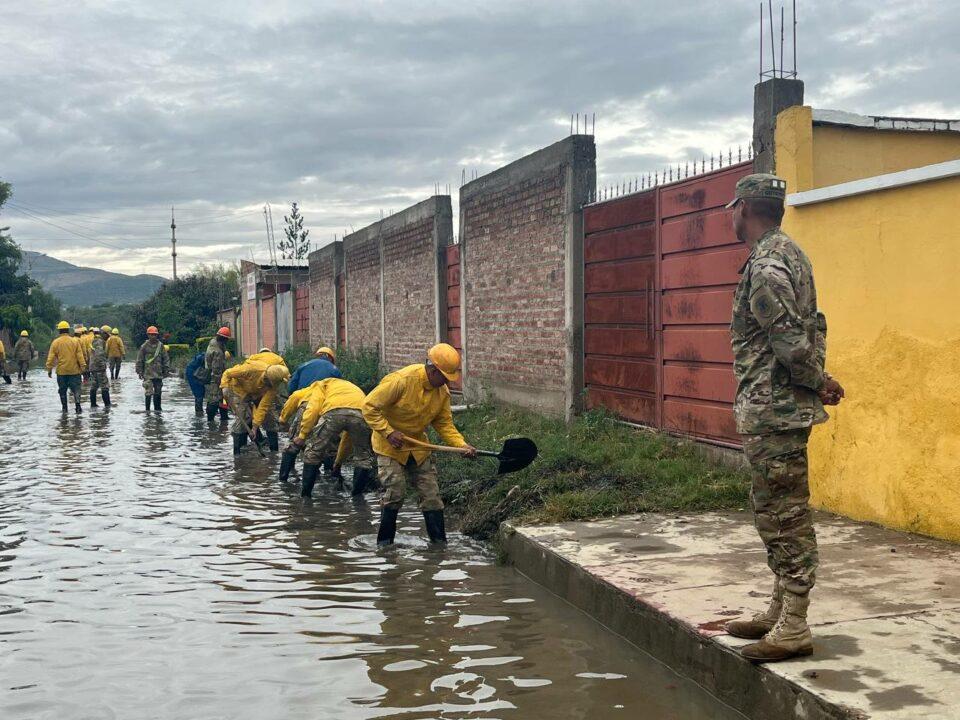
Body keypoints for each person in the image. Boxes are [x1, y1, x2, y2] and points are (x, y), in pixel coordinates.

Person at [722, 174, 844, 663]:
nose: (731, 217)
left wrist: (818, 380)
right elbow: (805, 330)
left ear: (745, 207)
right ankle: (779, 608)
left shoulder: (768, 264)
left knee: (784, 515)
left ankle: (794, 623)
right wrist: (820, 379)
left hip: (774, 409)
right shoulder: (789, 253)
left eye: (733, 209)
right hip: (777, 406)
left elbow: (791, 342)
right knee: (773, 509)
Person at [362, 343, 477, 545]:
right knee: (395, 493)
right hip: (390, 445)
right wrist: (388, 432)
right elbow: (369, 406)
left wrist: (461, 445)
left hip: (418, 447)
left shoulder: (442, 393)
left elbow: (444, 424)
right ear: (433, 371)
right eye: (444, 377)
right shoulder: (402, 381)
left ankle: (439, 546)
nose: (447, 382)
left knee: (432, 495)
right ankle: (385, 546)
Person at [284, 378, 375, 498]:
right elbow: (347, 440)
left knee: (313, 452)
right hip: (361, 414)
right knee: (363, 457)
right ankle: (357, 498)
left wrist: (302, 435)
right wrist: (338, 463)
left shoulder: (321, 385)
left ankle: (305, 497)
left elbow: (313, 409)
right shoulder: (352, 388)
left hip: (333, 412)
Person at [220, 357, 290, 454]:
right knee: (243, 417)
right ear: (266, 378)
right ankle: (238, 454)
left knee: (269, 418)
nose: (269, 387)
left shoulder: (273, 386)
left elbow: (263, 407)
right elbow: (227, 373)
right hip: (238, 389)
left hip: (255, 392)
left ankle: (274, 452)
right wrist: (224, 387)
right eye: (268, 384)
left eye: (271, 385)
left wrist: (255, 427)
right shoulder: (251, 369)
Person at [46, 320, 87, 413]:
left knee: (62, 391)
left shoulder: (55, 342)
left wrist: (49, 369)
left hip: (61, 372)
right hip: (74, 371)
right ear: (68, 330)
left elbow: (50, 357)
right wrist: (83, 368)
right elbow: (80, 356)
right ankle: (78, 406)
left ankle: (64, 409)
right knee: (76, 389)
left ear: (59, 331)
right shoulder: (74, 341)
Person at [135, 326, 170, 412]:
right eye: (151, 334)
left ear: (157, 335)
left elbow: (165, 358)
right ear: (148, 335)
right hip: (148, 374)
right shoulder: (144, 346)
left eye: (154, 335)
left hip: (158, 373)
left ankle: (158, 411)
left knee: (158, 393)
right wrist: (139, 371)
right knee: (148, 392)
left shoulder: (160, 346)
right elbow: (140, 359)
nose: (153, 336)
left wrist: (166, 369)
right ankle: (147, 411)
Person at [203, 327, 231, 422]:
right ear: (224, 339)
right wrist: (221, 382)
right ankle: (210, 420)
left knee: (223, 398)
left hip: (212, 375)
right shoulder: (218, 352)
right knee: (214, 400)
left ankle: (224, 416)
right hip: (215, 378)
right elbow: (216, 369)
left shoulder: (213, 343)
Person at [88, 325, 112, 407]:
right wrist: (102, 366)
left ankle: (93, 405)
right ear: (104, 333)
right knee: (105, 386)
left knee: (94, 386)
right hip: (99, 367)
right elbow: (99, 355)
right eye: (107, 335)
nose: (108, 337)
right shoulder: (99, 341)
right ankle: (107, 405)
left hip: (93, 367)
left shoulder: (95, 340)